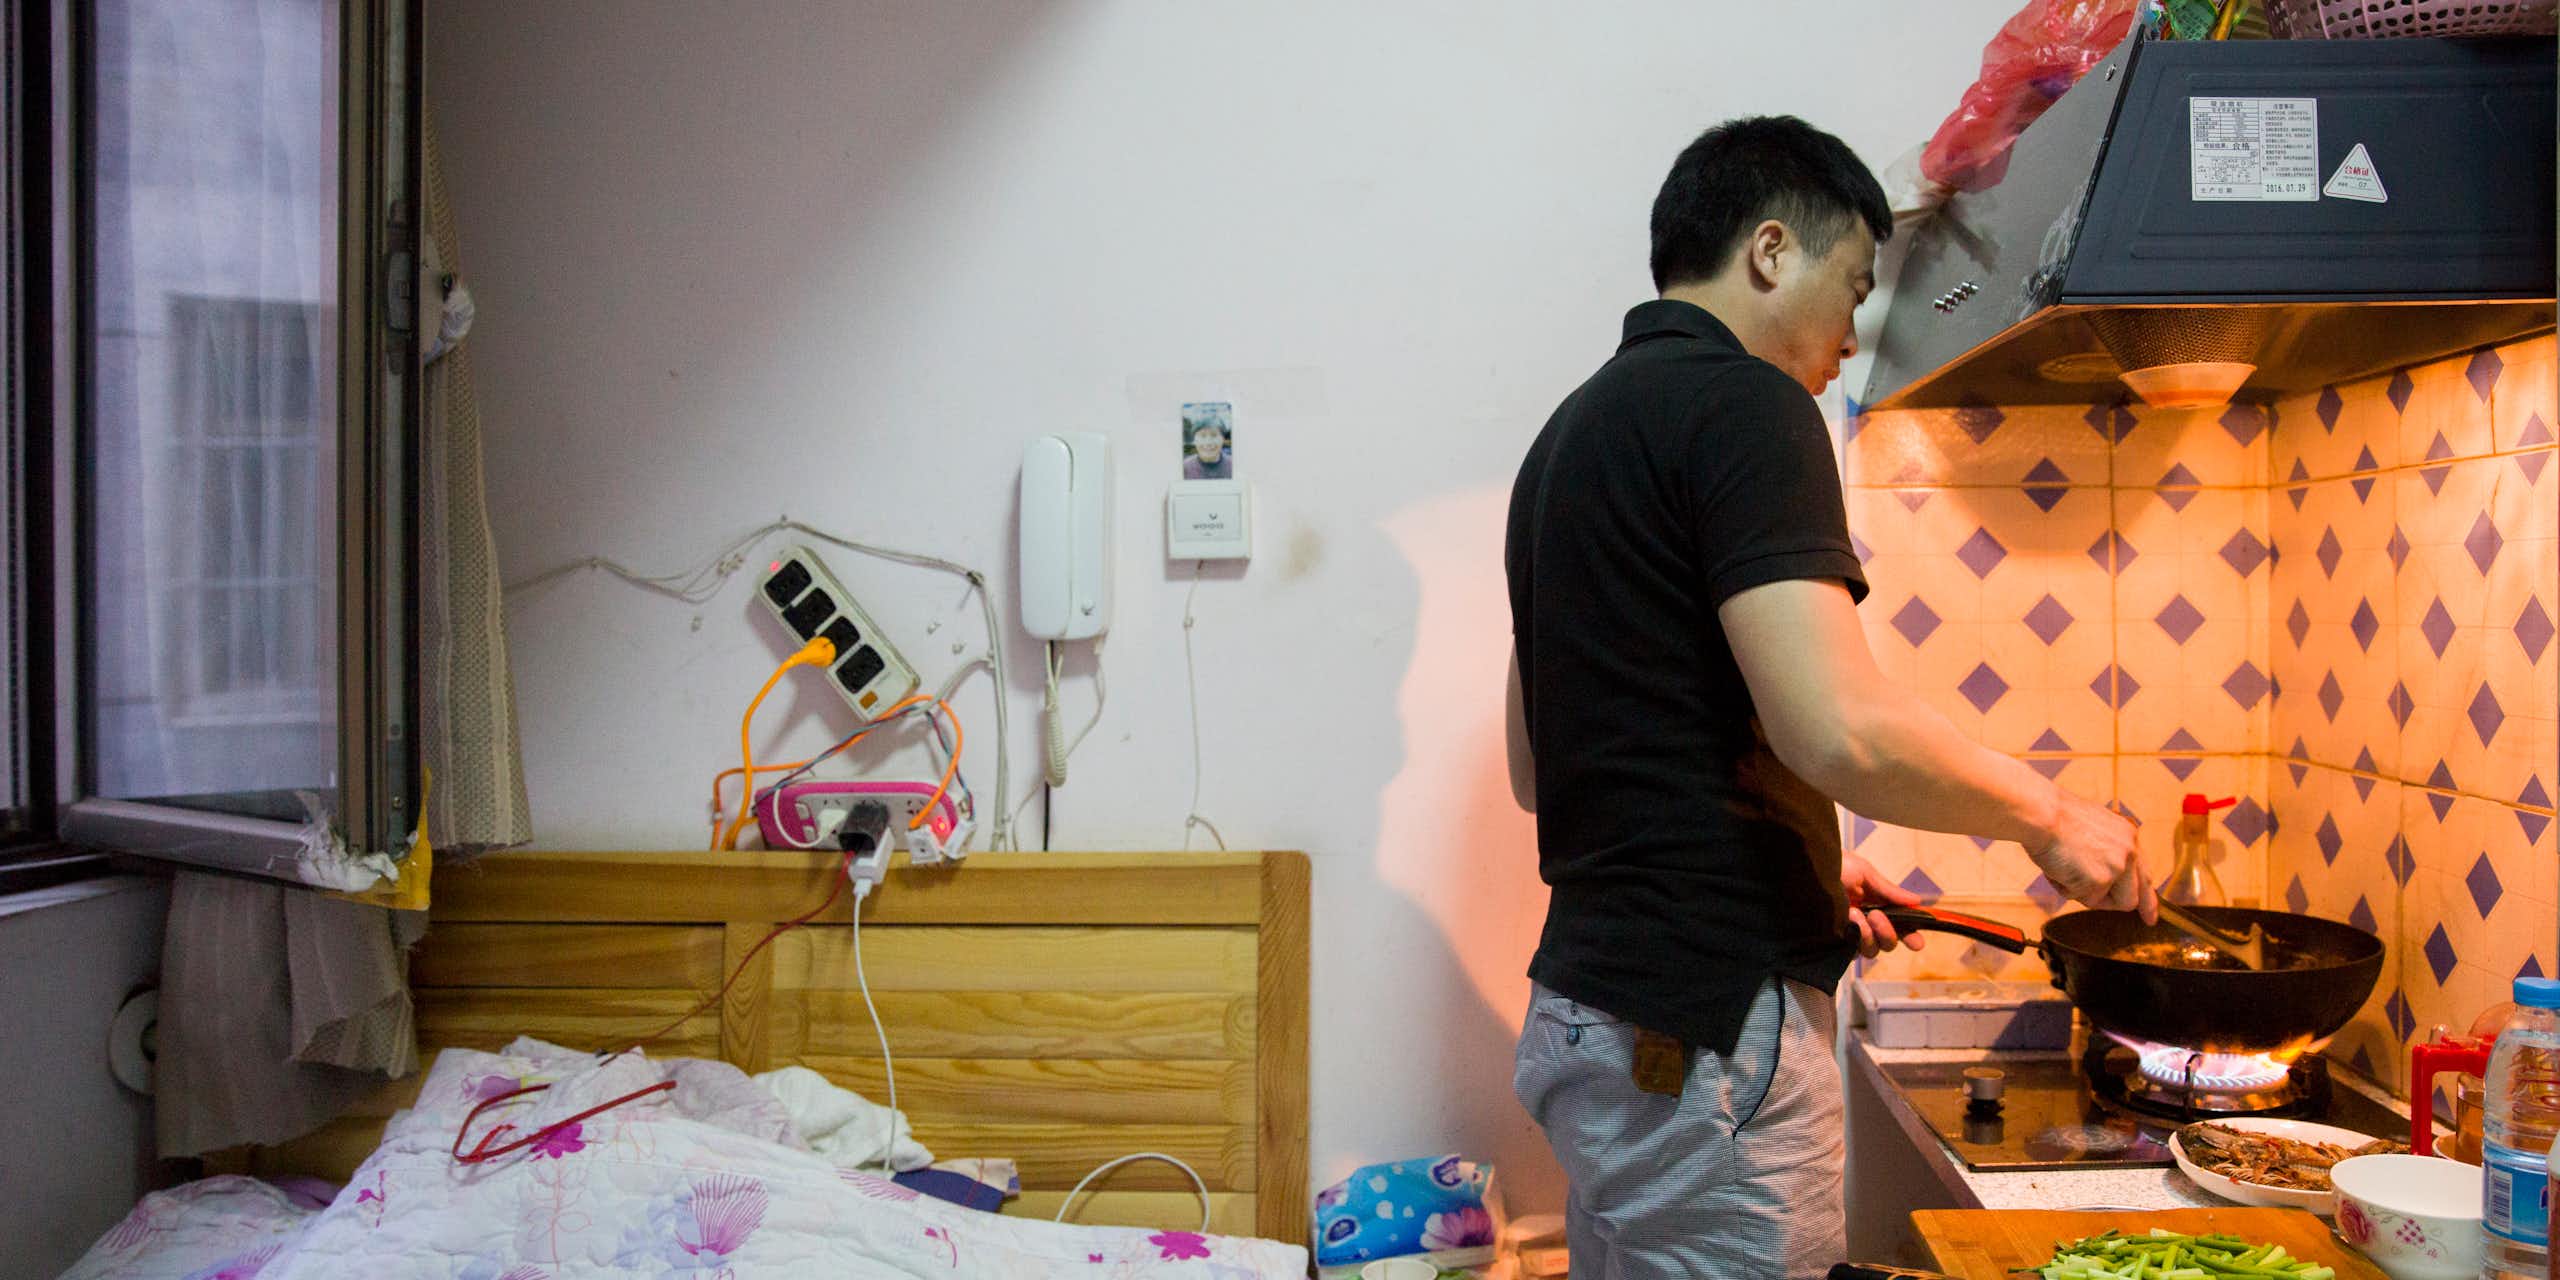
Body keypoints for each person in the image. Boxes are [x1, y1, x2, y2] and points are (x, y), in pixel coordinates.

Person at [1501, 115, 2151, 1280]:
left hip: (1593, 1017)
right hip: (1699, 1037)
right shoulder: (1747, 405)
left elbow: (1544, 762)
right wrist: (2047, 815)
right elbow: (1837, 727)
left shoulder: (1568, 435)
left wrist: (1790, 854)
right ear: (1767, 253)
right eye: (1851, 289)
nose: (1852, 338)